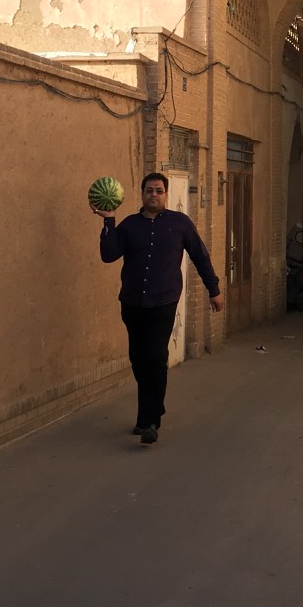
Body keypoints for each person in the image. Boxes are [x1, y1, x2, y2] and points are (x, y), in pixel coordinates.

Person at [95, 171, 224, 445]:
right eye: (149, 190)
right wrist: (109, 220)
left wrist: (213, 289)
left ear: (165, 195)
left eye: (158, 191)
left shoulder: (180, 223)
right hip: (132, 303)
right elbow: (108, 255)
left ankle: (150, 421)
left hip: (163, 302)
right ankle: (151, 409)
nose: (154, 195)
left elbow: (200, 256)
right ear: (142, 194)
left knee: (155, 358)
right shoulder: (129, 226)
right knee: (138, 359)